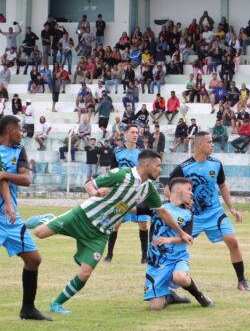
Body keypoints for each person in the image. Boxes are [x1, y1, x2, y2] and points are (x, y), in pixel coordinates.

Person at [28, 149, 193, 314]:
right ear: (147, 165)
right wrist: (95, 192)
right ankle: (47, 218)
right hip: (83, 217)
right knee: (39, 233)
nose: (160, 169)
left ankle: (56, 304)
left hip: (100, 233)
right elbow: (89, 184)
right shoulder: (122, 174)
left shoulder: (148, 189)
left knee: (85, 273)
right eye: (158, 166)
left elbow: (163, 212)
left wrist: (181, 232)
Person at [169, 132, 250, 290]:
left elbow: (222, 185)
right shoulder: (183, 168)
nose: (212, 145)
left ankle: (241, 281)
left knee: (233, 242)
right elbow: (168, 190)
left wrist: (232, 209)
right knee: (176, 246)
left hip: (215, 213)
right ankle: (170, 281)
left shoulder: (216, 164)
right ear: (200, 145)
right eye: (209, 142)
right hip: (194, 216)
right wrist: (183, 203)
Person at [0, 115, 51, 320]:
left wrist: (4, 175)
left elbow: (26, 179)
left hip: (9, 217)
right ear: (11, 129)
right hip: (8, 211)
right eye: (20, 130)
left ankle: (28, 309)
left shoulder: (18, 150)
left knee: (33, 259)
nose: (23, 134)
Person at [142, 177, 213, 310]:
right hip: (157, 262)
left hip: (177, 257)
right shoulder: (158, 207)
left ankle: (200, 297)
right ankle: (171, 297)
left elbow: (188, 238)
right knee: (155, 307)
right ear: (177, 189)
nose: (192, 193)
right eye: (189, 189)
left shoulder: (188, 213)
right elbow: (135, 209)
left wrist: (169, 239)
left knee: (179, 276)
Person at [103, 125, 149, 263]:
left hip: (139, 192)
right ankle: (109, 255)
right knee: (116, 224)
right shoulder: (117, 152)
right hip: (121, 193)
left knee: (143, 224)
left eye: (137, 132)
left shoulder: (143, 152)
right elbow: (113, 173)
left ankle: (144, 257)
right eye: (133, 132)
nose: (136, 135)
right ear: (125, 134)